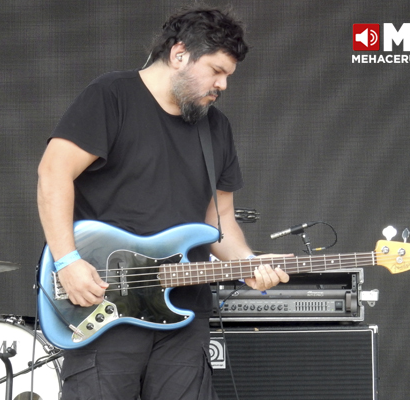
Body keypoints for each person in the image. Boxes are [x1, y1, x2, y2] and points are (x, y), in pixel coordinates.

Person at [37, 5, 289, 400]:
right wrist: (67, 261)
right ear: (179, 54)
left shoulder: (215, 127)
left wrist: (248, 263)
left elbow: (219, 220)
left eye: (228, 76)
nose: (222, 85)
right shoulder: (112, 96)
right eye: (217, 70)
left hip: (183, 312)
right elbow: (53, 174)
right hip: (105, 302)